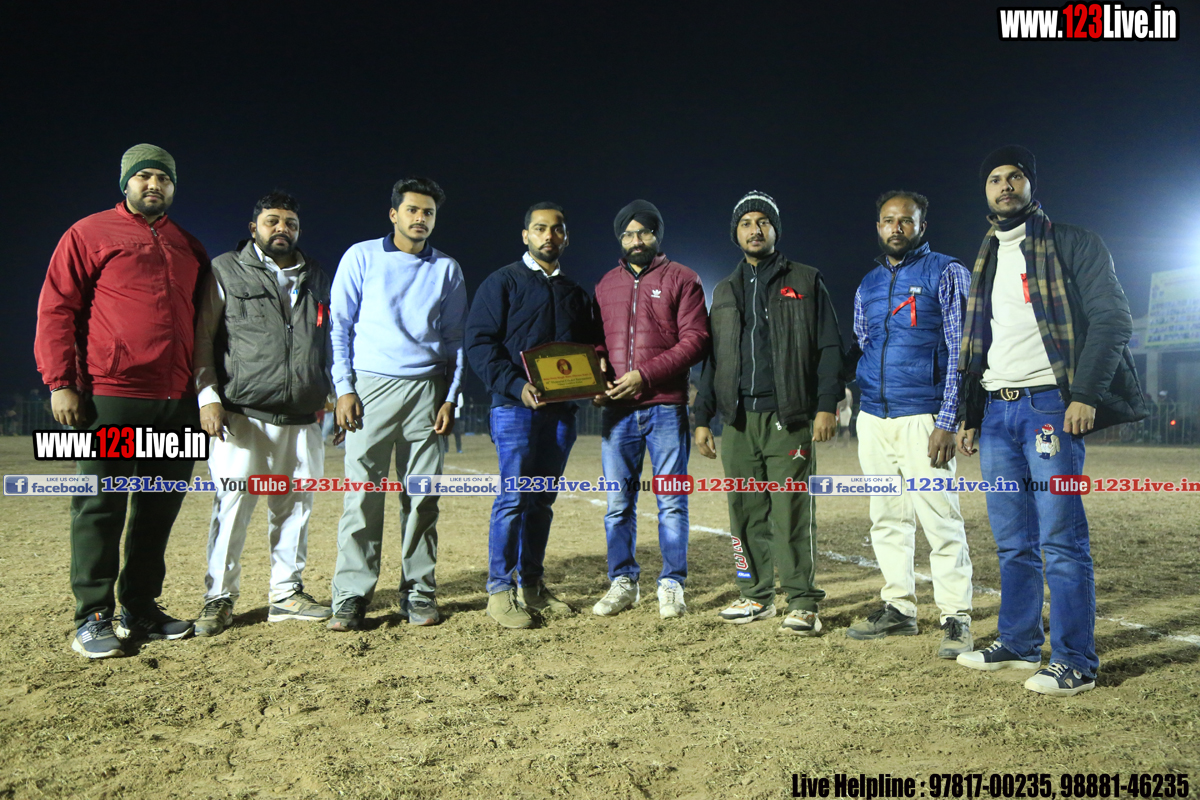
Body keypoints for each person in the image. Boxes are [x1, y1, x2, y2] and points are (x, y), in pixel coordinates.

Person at [955, 146, 1146, 696]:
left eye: (1014, 176)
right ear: (985, 191)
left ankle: (1074, 660)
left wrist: (1084, 394)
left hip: (1049, 407)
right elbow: (979, 342)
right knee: (1012, 540)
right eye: (994, 178)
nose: (1004, 185)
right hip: (996, 409)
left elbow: (1113, 319)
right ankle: (1018, 642)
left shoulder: (1073, 243)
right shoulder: (986, 254)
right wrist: (972, 414)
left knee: (1061, 539)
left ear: (1031, 185)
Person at [35, 144, 208, 658]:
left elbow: (205, 324)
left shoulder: (188, 245)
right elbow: (57, 308)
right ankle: (92, 616)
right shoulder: (88, 233)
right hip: (112, 395)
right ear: (126, 182)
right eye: (145, 176)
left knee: (159, 507)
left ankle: (140, 607)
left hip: (177, 401)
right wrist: (61, 383)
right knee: (101, 504)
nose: (154, 185)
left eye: (164, 178)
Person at [693, 191, 844, 635]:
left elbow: (829, 347)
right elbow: (714, 361)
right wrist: (702, 417)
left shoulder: (806, 279)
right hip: (738, 421)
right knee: (743, 511)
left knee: (790, 511)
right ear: (736, 232)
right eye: (746, 223)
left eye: (763, 222)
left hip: (788, 418)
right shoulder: (724, 290)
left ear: (776, 230)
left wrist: (825, 405)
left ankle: (802, 601)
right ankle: (755, 595)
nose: (754, 230)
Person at [191, 191, 334, 637]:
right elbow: (203, 337)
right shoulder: (225, 269)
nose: (282, 229)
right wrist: (207, 396)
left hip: (302, 415)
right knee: (233, 506)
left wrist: (331, 389)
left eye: (290, 223)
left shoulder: (316, 275)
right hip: (242, 413)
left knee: (296, 508)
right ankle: (219, 598)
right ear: (254, 228)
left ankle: (286, 594)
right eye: (272, 221)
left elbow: (328, 338)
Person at [327, 177, 466, 630]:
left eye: (428, 212)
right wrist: (344, 387)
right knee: (361, 496)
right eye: (412, 210)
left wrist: (450, 396)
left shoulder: (447, 269)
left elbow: (455, 340)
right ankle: (351, 595)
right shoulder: (361, 256)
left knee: (422, 497)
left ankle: (419, 591)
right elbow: (340, 326)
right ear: (394, 214)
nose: (420, 218)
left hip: (427, 389)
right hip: (369, 389)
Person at [843, 190, 974, 659]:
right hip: (874, 417)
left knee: (940, 519)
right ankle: (899, 608)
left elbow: (962, 350)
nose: (895, 228)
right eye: (887, 220)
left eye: (905, 220)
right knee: (886, 518)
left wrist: (948, 419)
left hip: (924, 417)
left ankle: (956, 617)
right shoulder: (868, 283)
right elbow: (864, 342)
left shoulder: (947, 271)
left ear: (922, 225)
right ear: (877, 226)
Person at [466, 202, 596, 629]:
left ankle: (533, 586)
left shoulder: (576, 293)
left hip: (560, 415)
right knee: (513, 499)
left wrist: (595, 381)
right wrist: (516, 385)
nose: (548, 236)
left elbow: (591, 349)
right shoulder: (502, 282)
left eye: (556, 229)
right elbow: (479, 344)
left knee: (541, 501)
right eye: (540, 228)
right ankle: (499, 591)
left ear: (566, 237)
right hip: (514, 409)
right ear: (525, 235)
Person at [590, 200, 710, 618]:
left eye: (643, 232)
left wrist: (645, 375)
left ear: (657, 235)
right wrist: (598, 372)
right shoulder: (605, 284)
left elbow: (696, 340)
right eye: (628, 234)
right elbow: (598, 340)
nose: (635, 240)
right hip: (618, 411)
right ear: (620, 239)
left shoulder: (684, 278)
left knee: (672, 501)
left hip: (666, 407)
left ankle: (672, 583)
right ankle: (623, 581)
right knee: (617, 504)